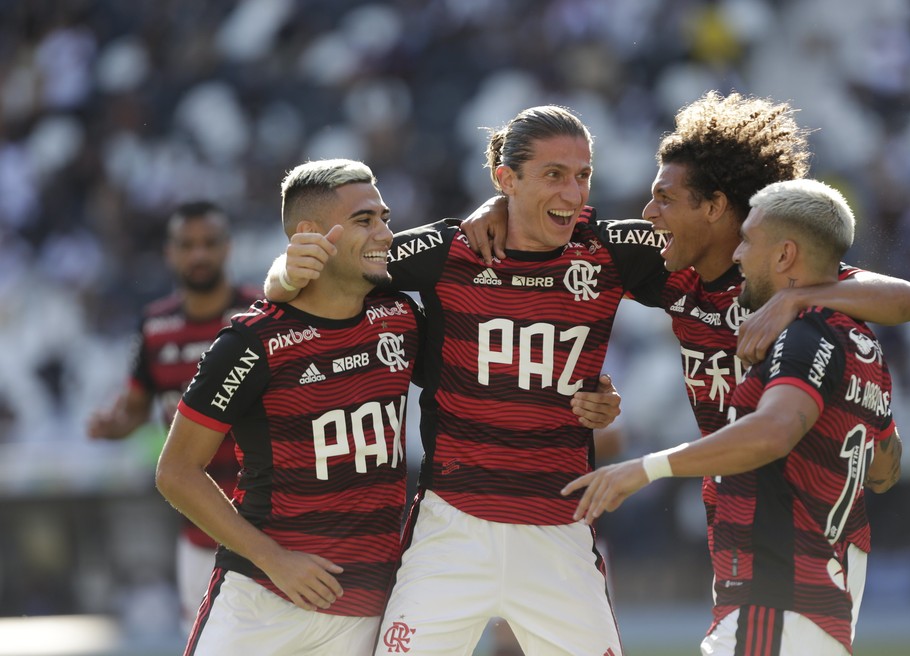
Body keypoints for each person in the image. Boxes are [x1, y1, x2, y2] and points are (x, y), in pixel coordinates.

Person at [461, 89, 910, 580]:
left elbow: (907, 300)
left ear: (715, 206)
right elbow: (553, 222)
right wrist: (501, 204)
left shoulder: (781, 277)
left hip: (798, 528)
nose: (648, 212)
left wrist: (794, 301)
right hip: (734, 514)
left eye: (665, 199)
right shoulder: (670, 266)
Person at [264, 106, 671, 655]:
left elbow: (715, 258)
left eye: (583, 175)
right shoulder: (447, 249)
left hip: (558, 529)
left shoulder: (610, 251)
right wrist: (281, 278)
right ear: (507, 179)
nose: (573, 193)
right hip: (451, 527)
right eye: (553, 174)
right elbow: (328, 269)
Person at [563, 178, 904, 656]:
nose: (738, 255)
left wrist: (646, 468)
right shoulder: (861, 342)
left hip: (775, 595)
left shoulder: (802, 337)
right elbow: (885, 468)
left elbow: (773, 432)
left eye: (748, 241)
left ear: (785, 255)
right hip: (822, 598)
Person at [155, 159, 424, 655]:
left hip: (366, 611)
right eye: (365, 220)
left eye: (385, 218)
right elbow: (176, 471)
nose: (386, 233)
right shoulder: (252, 342)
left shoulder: (402, 317)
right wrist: (274, 559)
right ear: (310, 236)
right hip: (262, 598)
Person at [87, 200, 258, 631]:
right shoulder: (154, 328)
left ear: (227, 248)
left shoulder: (261, 315)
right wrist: (111, 427)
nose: (198, 254)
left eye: (209, 243)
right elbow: (135, 410)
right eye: (187, 244)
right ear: (170, 252)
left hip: (268, 526)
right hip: (199, 534)